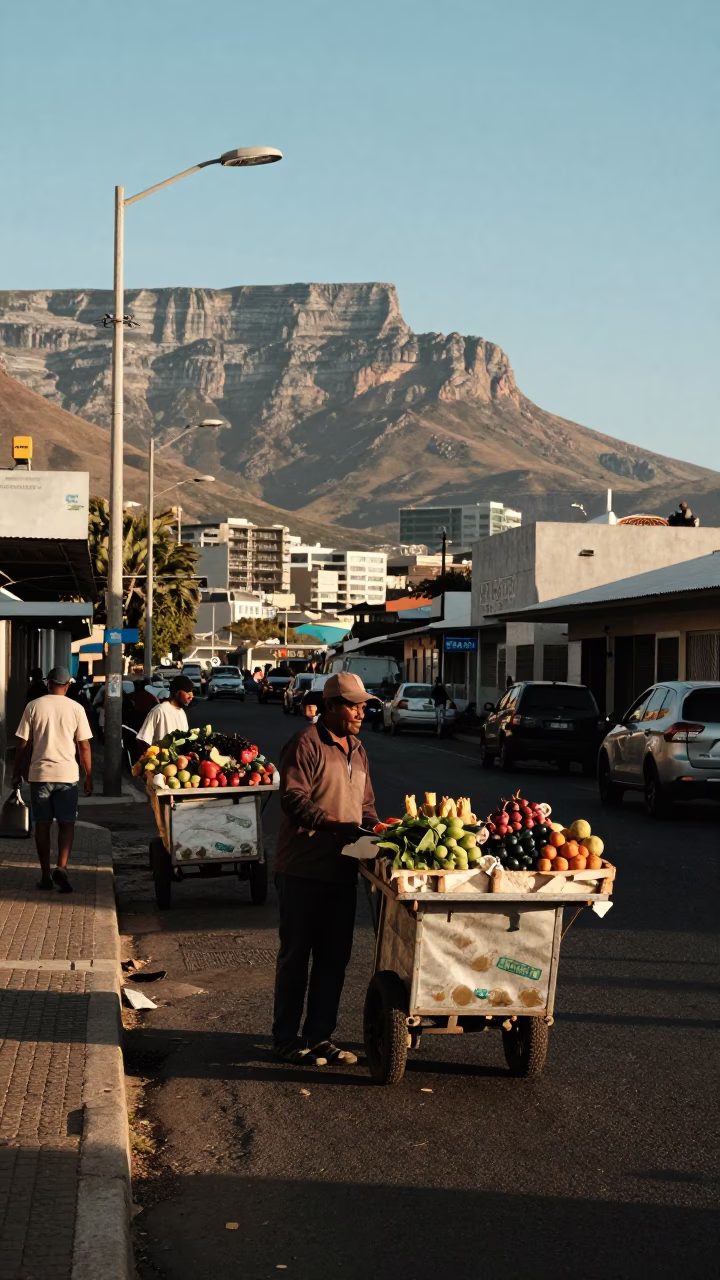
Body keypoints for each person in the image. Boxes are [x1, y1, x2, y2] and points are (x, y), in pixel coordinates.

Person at [272, 672, 380, 1066]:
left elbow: (366, 806)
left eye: (364, 705)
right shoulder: (306, 742)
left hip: (341, 871)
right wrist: (335, 825)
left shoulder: (358, 748)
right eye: (354, 705)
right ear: (331, 706)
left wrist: (376, 830)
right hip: (302, 868)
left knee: (335, 957)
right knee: (297, 955)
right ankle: (285, 1038)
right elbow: (293, 799)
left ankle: (319, 1035)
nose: (361, 712)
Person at [12, 665, 93, 893]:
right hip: (67, 775)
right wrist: (89, 776)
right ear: (67, 686)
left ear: (48, 683)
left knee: (42, 825)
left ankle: (46, 875)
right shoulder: (76, 708)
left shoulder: (33, 706)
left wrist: (16, 773)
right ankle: (63, 867)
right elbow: (84, 745)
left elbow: (22, 744)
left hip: (40, 775)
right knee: (67, 824)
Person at [136, 674, 194, 748]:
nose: (191, 696)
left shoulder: (182, 712)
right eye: (187, 692)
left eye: (192, 693)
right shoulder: (159, 711)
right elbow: (143, 739)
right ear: (175, 692)